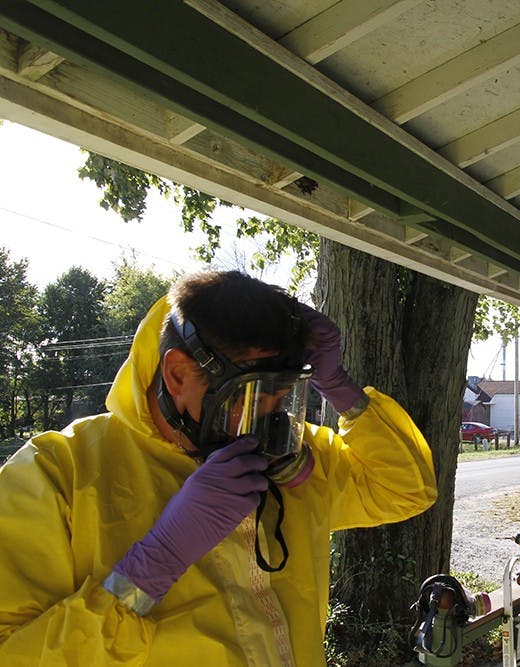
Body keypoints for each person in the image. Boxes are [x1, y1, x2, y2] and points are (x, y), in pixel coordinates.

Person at [0, 270, 437, 665]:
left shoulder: (286, 453)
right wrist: (149, 569)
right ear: (176, 374)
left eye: (281, 399)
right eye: (246, 401)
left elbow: (405, 489)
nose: (265, 428)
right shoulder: (58, 474)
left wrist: (341, 389)